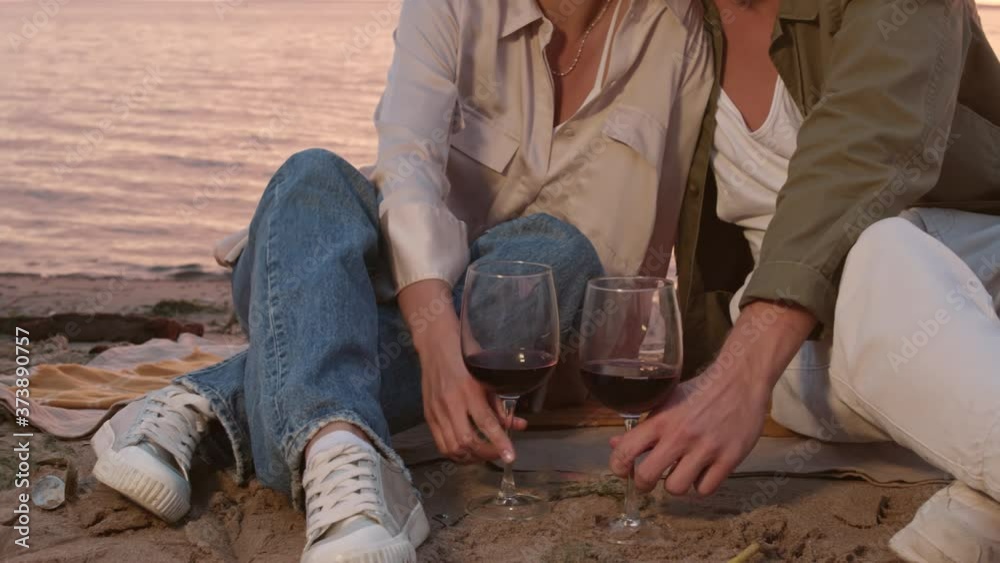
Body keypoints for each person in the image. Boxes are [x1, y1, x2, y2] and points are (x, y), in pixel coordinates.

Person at [90, 1, 711, 561]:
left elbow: (691, 216)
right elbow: (407, 162)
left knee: (560, 255)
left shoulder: (680, 28)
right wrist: (437, 343)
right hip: (330, 281)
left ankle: (218, 405)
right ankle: (337, 444)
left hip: (523, 336)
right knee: (311, 176)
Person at [609, 0, 1000, 559]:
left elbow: (867, 146)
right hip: (808, 340)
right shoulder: (673, 23)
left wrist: (742, 373)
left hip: (971, 264)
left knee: (878, 255)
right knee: (784, 351)